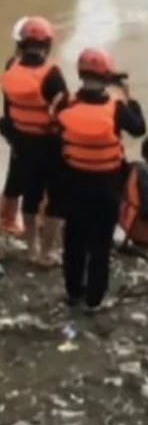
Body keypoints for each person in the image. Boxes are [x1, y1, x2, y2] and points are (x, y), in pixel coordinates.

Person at [54, 48, 146, 312]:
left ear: (80, 74)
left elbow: (56, 130)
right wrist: (128, 94)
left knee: (74, 239)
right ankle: (95, 299)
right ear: (107, 77)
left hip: (74, 183)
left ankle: (73, 292)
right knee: (100, 243)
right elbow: (139, 128)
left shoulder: (65, 103)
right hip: (106, 185)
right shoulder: (116, 109)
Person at [1, 16, 67, 262]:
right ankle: (48, 250)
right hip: (48, 143)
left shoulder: (10, 69)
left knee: (29, 194)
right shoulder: (52, 74)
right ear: (47, 44)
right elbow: (64, 113)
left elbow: (7, 112)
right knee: (55, 197)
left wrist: (14, 139)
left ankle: (31, 249)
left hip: (21, 142)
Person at [0, 19, 29, 236]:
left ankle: (7, 216)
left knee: (17, 172)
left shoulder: (13, 63)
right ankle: (8, 219)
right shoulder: (18, 65)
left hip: (14, 126)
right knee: (18, 175)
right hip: (21, 128)